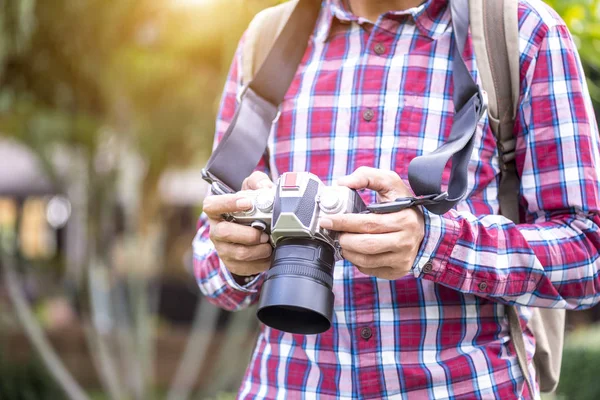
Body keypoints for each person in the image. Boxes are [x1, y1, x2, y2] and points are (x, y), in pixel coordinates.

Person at [193, 0, 600, 398]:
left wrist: (433, 242)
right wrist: (237, 254)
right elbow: (213, 274)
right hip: (285, 384)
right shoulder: (268, 41)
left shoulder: (523, 31)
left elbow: (589, 253)